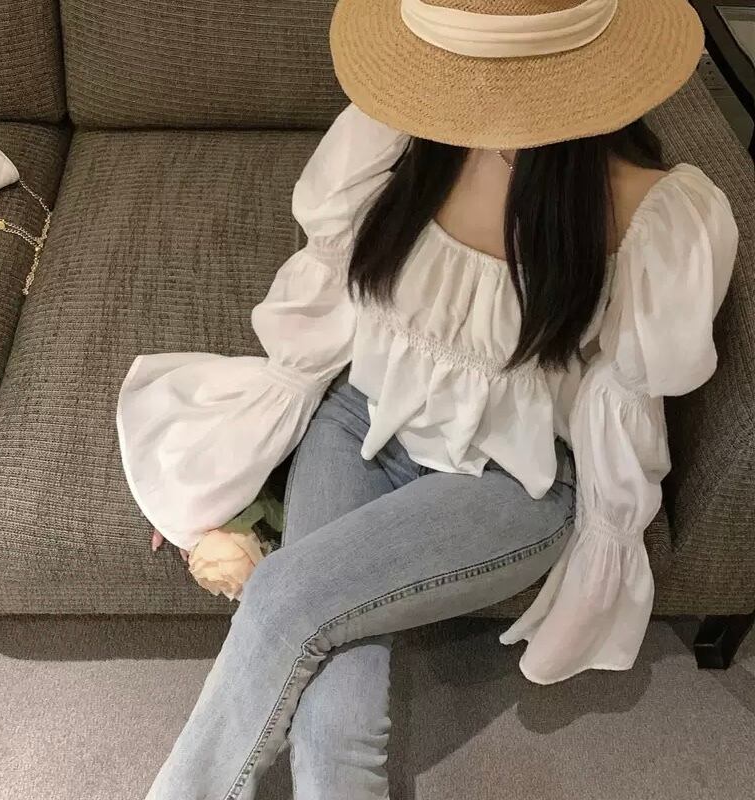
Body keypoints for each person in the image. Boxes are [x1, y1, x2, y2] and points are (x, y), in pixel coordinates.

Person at [115, 1, 739, 798]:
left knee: (279, 598)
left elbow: (626, 413)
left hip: (513, 481)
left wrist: (604, 550)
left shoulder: (651, 214)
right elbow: (328, 299)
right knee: (334, 714)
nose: (467, 99)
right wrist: (241, 451)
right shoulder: (399, 135)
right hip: (358, 422)